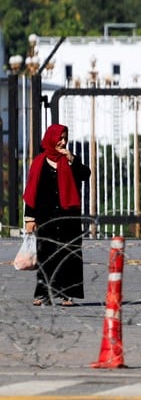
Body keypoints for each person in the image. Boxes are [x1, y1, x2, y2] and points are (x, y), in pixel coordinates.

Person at [23, 124, 91, 307]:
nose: (62, 142)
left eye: (65, 138)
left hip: (69, 218)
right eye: (59, 138)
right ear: (51, 139)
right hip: (46, 218)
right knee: (46, 256)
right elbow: (31, 192)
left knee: (69, 255)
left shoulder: (68, 162)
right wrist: (30, 218)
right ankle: (43, 294)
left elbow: (86, 174)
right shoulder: (39, 163)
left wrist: (72, 160)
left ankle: (67, 295)